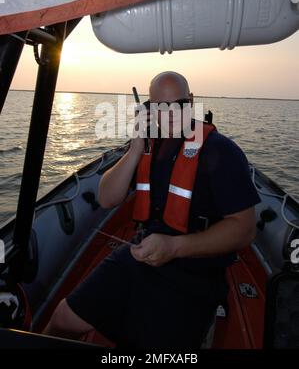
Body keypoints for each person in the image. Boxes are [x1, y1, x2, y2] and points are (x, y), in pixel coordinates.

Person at [44, 71, 261, 350]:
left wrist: (174, 247)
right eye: (160, 106)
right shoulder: (147, 145)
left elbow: (244, 229)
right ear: (148, 108)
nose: (169, 114)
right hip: (141, 253)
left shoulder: (221, 151)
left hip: (195, 271)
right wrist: (135, 148)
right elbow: (108, 198)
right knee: (63, 318)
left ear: (191, 101)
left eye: (178, 105)